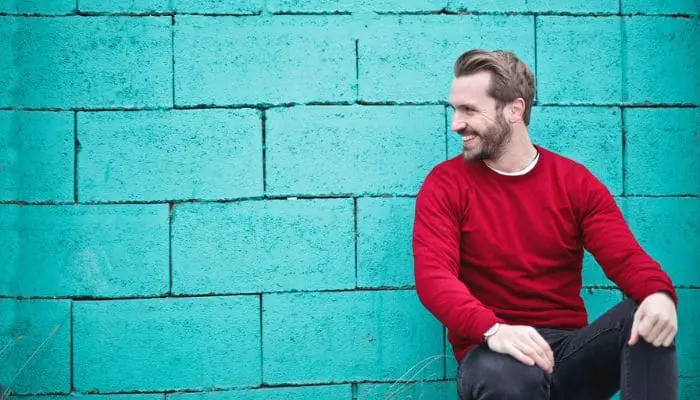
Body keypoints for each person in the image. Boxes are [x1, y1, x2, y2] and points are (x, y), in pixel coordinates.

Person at [412, 49, 679, 400]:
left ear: (514, 110)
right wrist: (493, 330)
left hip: (567, 353)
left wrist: (659, 294)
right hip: (493, 352)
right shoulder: (446, 184)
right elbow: (434, 277)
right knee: (506, 379)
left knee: (646, 318)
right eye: (455, 110)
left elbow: (625, 257)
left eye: (469, 110)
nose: (456, 123)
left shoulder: (574, 182)